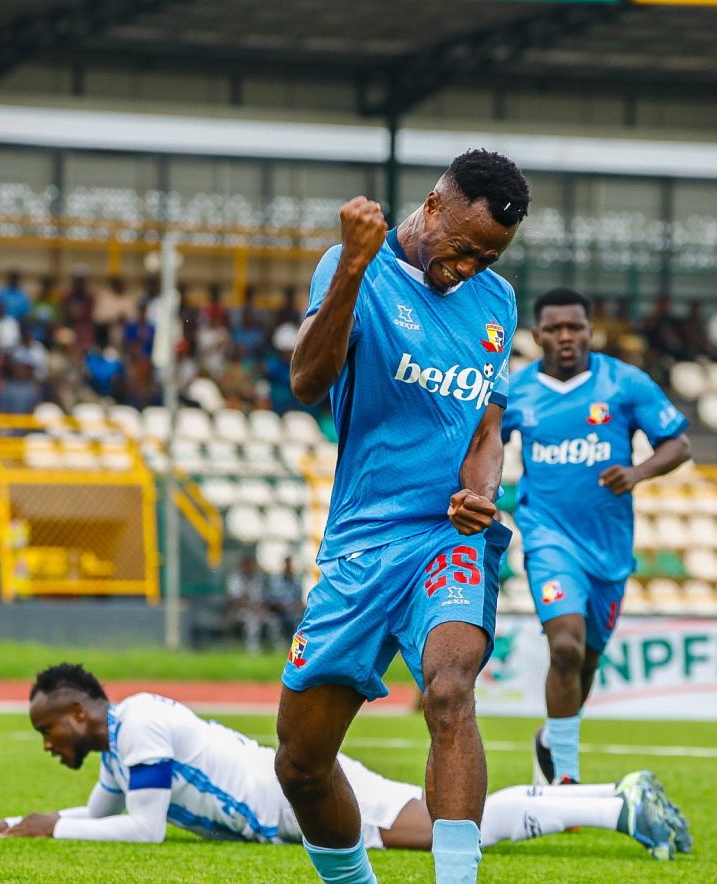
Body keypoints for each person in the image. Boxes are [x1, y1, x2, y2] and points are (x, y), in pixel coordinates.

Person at [276, 149, 529, 884]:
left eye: (491, 256)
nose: (471, 267)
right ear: (432, 205)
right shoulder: (353, 264)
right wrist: (354, 266)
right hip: (362, 542)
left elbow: (487, 428)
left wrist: (481, 490)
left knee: (449, 689)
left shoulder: (498, 303)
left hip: (447, 536)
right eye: (465, 246)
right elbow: (306, 380)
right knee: (300, 764)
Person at [0, 663, 687, 862]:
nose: (48, 744)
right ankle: (607, 800)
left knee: (453, 831)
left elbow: (142, 833)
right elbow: (102, 814)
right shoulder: (120, 748)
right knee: (451, 824)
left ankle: (614, 806)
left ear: (79, 714)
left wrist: (48, 830)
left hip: (307, 795)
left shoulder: (143, 727)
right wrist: (13, 824)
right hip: (297, 799)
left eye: (48, 730)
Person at [502, 287, 692, 805]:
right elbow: (482, 446)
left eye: (576, 328)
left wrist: (636, 473)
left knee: (585, 660)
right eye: (556, 328)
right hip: (547, 536)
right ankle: (565, 777)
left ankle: (551, 739)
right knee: (564, 646)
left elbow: (678, 443)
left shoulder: (624, 383)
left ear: (589, 331)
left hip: (609, 546)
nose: (567, 337)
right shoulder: (516, 391)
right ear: (538, 335)